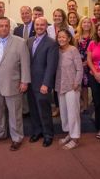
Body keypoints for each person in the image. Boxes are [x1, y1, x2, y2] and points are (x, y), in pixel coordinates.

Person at [0, 17, 31, 151]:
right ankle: (1, 133)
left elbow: (25, 64)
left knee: (15, 113)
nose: (4, 28)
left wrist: (24, 81)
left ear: (9, 27)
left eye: (6, 26)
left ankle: (17, 138)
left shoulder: (20, 42)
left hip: (13, 83)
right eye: (1, 26)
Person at [27, 17, 58, 147]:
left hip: (42, 83)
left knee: (44, 110)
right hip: (30, 82)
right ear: (34, 26)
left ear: (46, 26)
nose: (39, 27)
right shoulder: (29, 41)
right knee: (33, 109)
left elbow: (51, 66)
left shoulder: (51, 43)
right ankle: (37, 131)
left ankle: (48, 134)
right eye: (37, 24)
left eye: (42, 25)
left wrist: (46, 84)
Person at [55, 29, 83, 150]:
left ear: (69, 38)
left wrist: (77, 83)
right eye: (59, 37)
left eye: (64, 37)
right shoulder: (56, 51)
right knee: (64, 113)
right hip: (60, 85)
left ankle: (75, 138)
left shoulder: (73, 50)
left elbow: (80, 69)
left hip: (72, 86)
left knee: (73, 113)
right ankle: (69, 134)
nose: (61, 39)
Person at [74, 17, 94, 114]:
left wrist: (88, 61)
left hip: (92, 63)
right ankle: (84, 105)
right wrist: (79, 63)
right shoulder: (77, 36)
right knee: (83, 86)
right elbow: (75, 51)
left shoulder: (94, 36)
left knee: (92, 85)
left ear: (91, 24)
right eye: (84, 22)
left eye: (88, 22)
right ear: (81, 24)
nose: (86, 24)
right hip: (80, 64)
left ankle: (94, 104)